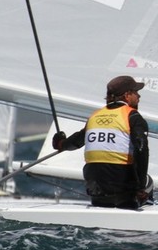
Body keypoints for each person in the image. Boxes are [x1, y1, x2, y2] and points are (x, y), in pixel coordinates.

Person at [52, 75, 152, 209]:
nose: (139, 97)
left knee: (104, 186)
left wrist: (60, 143)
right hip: (123, 191)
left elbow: (76, 142)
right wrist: (140, 187)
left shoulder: (95, 116)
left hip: (95, 190)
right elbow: (141, 148)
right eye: (136, 92)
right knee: (148, 182)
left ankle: (102, 203)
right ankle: (141, 209)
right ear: (127, 95)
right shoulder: (133, 116)